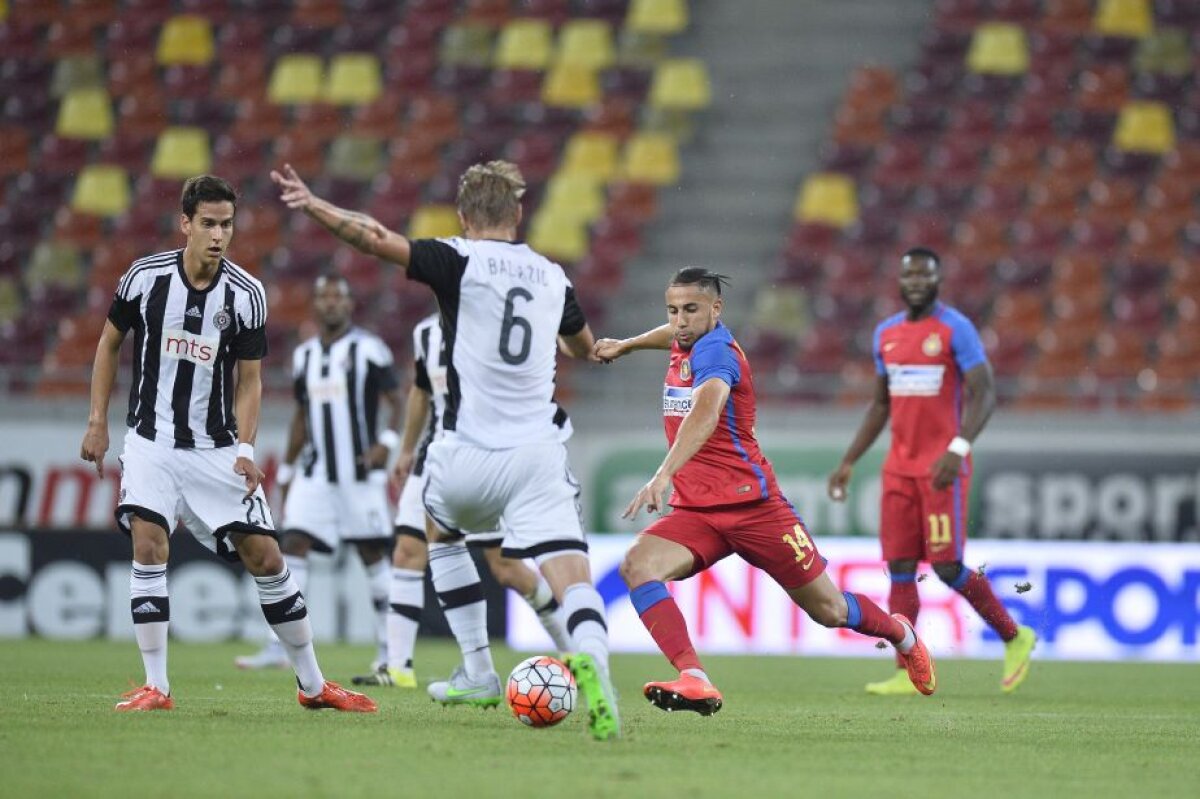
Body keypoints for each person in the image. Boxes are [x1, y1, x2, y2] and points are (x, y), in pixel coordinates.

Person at [271, 160, 620, 741]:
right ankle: (596, 667)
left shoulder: (458, 259)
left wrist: (314, 205)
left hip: (464, 450)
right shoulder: (552, 277)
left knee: (439, 534)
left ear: (463, 217)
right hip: (537, 453)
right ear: (518, 214)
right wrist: (608, 348)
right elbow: (584, 348)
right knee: (571, 574)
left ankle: (479, 670)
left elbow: (374, 237)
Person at [79, 175, 375, 713]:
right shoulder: (144, 279)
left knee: (266, 556)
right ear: (186, 224)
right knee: (148, 543)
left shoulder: (247, 295)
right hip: (151, 440)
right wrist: (97, 420)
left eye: (227, 224)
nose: (219, 235)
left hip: (216, 449)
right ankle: (157, 686)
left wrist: (245, 447)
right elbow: (108, 344)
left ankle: (313, 686)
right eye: (209, 224)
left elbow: (250, 381)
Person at [593, 268, 937, 716]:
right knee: (638, 566)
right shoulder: (687, 338)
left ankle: (902, 635)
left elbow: (706, 411)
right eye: (673, 310)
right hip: (699, 512)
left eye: (690, 310)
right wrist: (629, 344)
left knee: (830, 610)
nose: (679, 321)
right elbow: (671, 336)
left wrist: (663, 474)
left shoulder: (717, 353)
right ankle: (693, 677)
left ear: (717, 309)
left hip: (754, 509)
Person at [827, 247, 1036, 695]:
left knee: (945, 566)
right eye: (910, 275)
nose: (917, 282)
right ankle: (906, 671)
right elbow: (881, 404)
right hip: (898, 471)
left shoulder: (955, 329)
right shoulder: (886, 334)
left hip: (941, 468)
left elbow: (986, 393)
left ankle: (1015, 637)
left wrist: (958, 448)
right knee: (900, 567)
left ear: (938, 280)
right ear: (900, 282)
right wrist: (849, 461)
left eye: (925, 275)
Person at [352, 311, 570, 688]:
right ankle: (397, 665)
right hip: (433, 459)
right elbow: (420, 391)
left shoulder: (492, 323)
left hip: (482, 460)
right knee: (407, 551)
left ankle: (572, 649)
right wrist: (406, 449)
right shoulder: (424, 332)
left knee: (505, 568)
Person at [235, 273, 403, 676]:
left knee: (372, 553)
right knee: (291, 544)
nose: (331, 303)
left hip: (359, 473)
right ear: (315, 305)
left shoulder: (370, 349)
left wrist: (387, 441)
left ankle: (390, 650)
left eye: (338, 297)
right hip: (315, 471)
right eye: (323, 296)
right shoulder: (305, 355)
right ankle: (279, 645)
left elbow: (397, 400)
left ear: (349, 305)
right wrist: (289, 469)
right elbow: (301, 415)